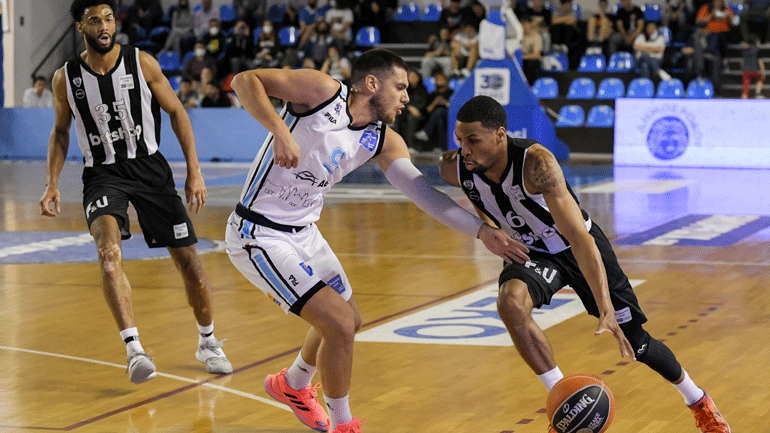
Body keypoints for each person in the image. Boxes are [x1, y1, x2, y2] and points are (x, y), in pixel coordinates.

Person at [226, 48, 527, 433]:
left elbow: (423, 194)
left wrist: (482, 231)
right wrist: (281, 132)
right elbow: (243, 80)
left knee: (349, 320)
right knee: (336, 323)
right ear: (372, 83)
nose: (406, 97)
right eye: (399, 87)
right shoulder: (321, 92)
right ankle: (344, 425)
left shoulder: (382, 139)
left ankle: (293, 384)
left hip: (305, 232)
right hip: (258, 232)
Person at [440, 95, 732, 433]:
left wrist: (606, 307)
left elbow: (580, 240)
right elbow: (455, 191)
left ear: (501, 134)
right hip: (534, 253)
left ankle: (698, 400)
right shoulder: (457, 167)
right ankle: (563, 401)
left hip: (577, 247)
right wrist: (487, 228)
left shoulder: (536, 165)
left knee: (636, 342)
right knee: (510, 304)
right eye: (460, 140)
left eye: (473, 140)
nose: (465, 150)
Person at [40, 0, 232, 385]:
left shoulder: (141, 63)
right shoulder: (66, 78)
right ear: (81, 28)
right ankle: (134, 351)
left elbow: (177, 112)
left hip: (150, 171)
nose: (104, 26)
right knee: (109, 255)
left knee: (190, 265)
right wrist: (51, 183)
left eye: (108, 18)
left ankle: (208, 342)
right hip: (102, 174)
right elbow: (61, 131)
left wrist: (194, 171)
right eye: (94, 21)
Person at [413, 71, 453, 152]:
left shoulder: (451, 93)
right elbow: (428, 110)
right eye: (437, 79)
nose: (439, 81)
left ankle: (426, 132)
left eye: (441, 79)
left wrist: (444, 102)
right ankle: (440, 147)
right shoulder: (432, 94)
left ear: (446, 81)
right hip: (433, 118)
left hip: (448, 115)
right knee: (439, 119)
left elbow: (453, 107)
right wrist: (435, 102)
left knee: (440, 111)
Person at [392, 69, 429, 151]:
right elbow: (400, 101)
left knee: (412, 118)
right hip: (406, 112)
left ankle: (411, 145)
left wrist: (415, 109)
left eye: (414, 76)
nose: (412, 78)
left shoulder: (423, 89)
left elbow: (424, 104)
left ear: (418, 78)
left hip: (420, 114)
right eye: (410, 76)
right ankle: (397, 144)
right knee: (399, 114)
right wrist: (410, 108)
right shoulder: (404, 89)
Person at [741, 33, 766, 98]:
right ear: (756, 41)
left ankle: (744, 98)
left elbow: (742, 61)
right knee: (760, 78)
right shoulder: (757, 50)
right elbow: (760, 61)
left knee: (745, 87)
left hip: (746, 71)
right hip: (756, 70)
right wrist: (763, 71)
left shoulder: (744, 50)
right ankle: (758, 92)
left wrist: (743, 68)